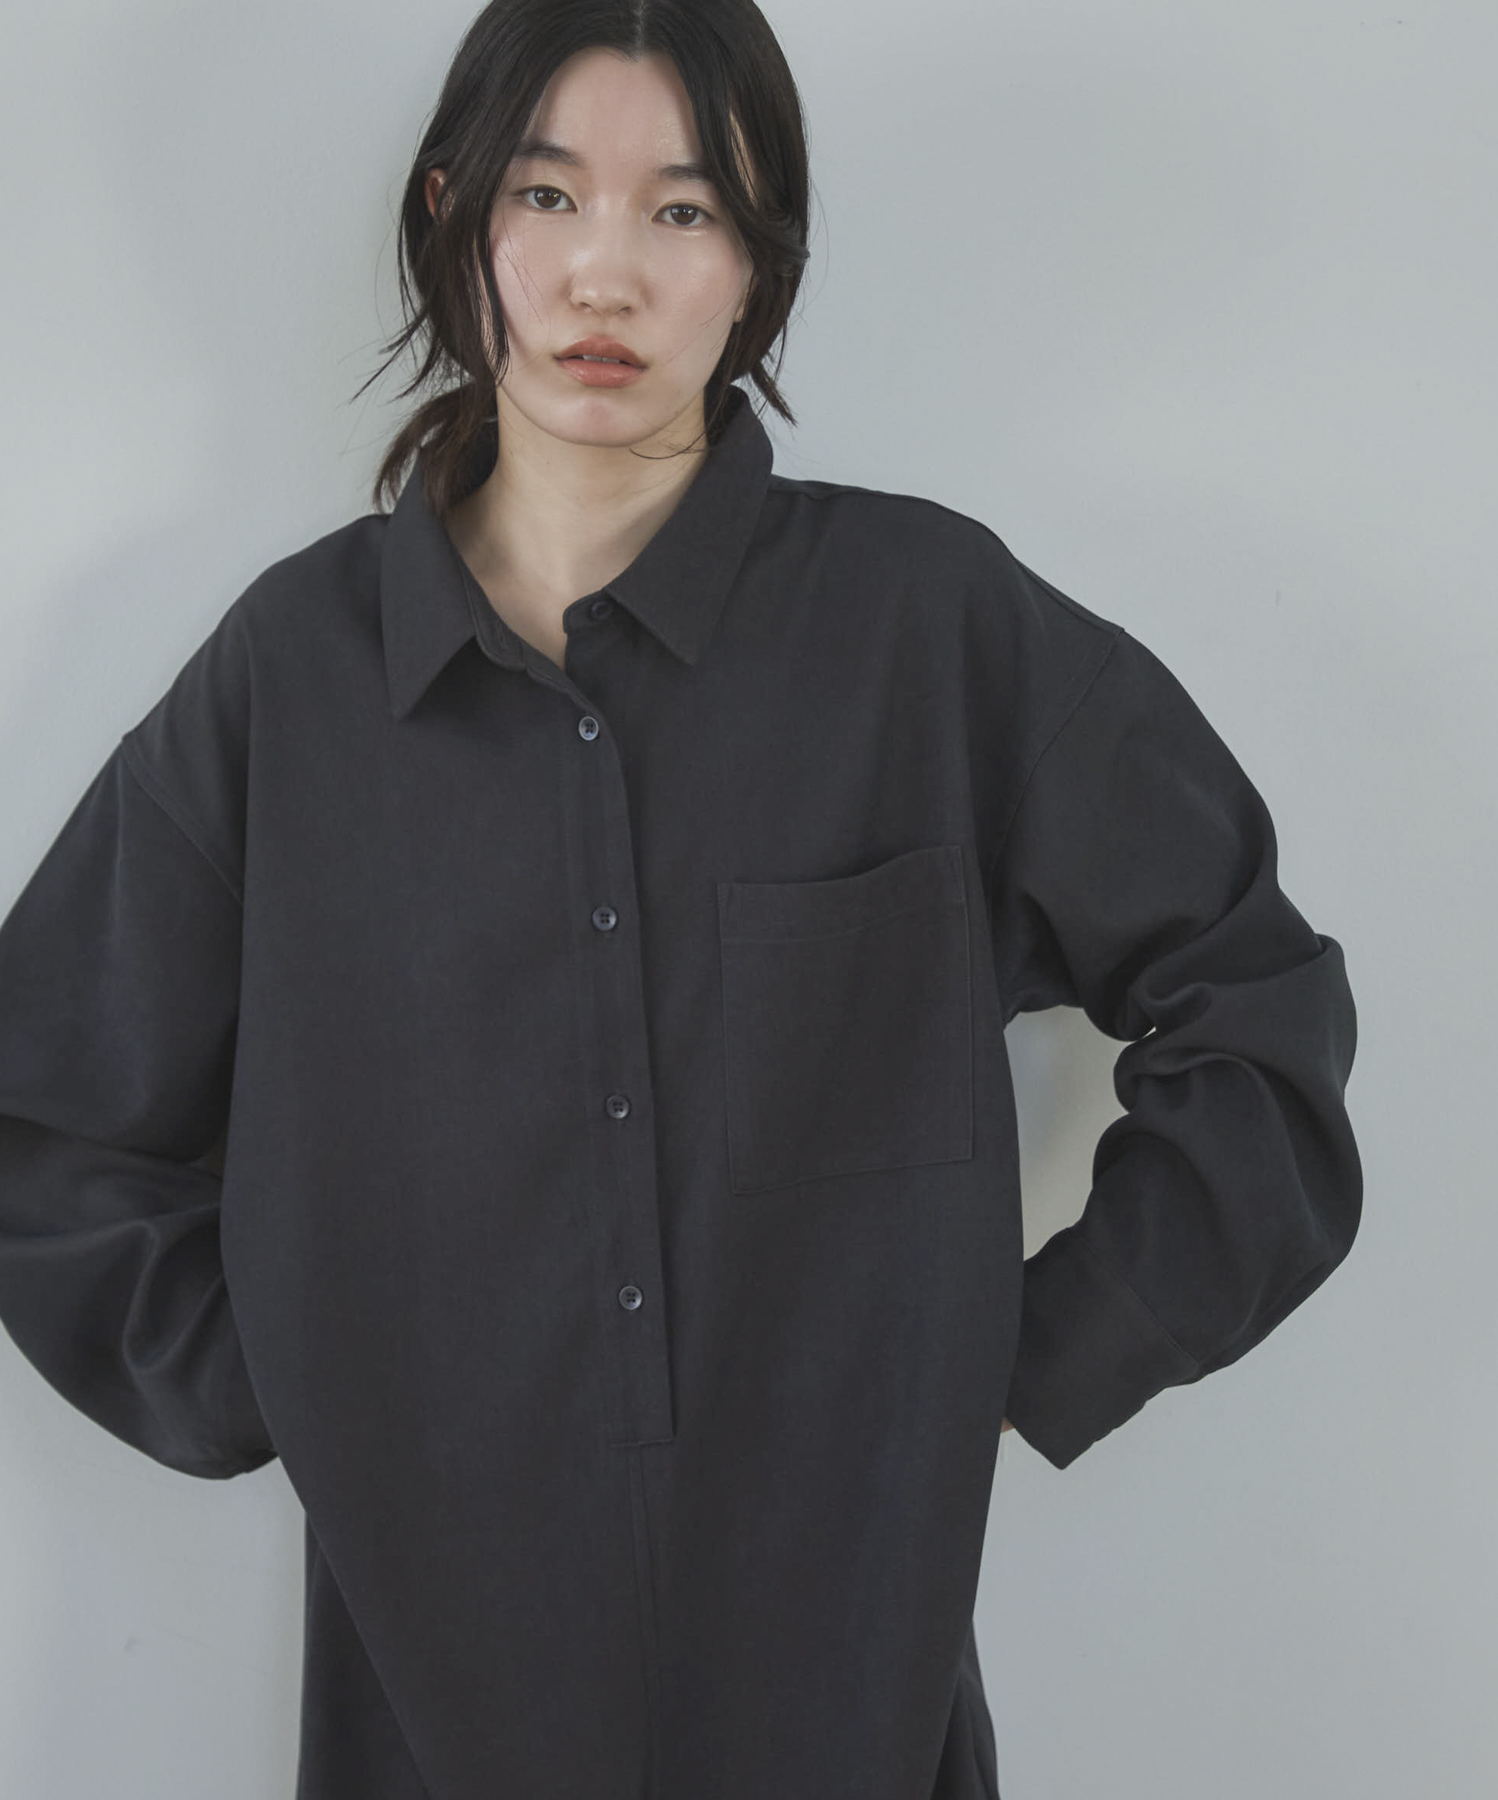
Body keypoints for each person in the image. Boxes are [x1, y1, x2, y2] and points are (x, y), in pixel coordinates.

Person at [0, 2, 1362, 1797]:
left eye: (685, 209)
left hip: (857, 1716)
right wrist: (299, 1385)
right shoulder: (295, 678)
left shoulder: (925, 628)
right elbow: (43, 1117)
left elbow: (1260, 1017)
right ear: (454, 217)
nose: (607, 275)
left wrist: (1020, 1364)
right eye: (547, 194)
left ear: (757, 261)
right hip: (429, 1725)